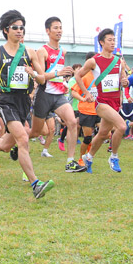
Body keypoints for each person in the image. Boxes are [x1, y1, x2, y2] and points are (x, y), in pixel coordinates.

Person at [0, 9, 55, 199]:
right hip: (6, 101)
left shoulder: (30, 52)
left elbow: (42, 79)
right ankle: (35, 184)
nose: (19, 31)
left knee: (6, 145)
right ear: (6, 30)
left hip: (24, 101)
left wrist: (33, 74)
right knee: (23, 138)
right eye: (15, 27)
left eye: (22, 28)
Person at [31, 17, 85, 172]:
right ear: (48, 31)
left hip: (58, 96)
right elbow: (41, 77)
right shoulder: (42, 51)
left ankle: (70, 162)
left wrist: (63, 82)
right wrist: (59, 73)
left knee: (72, 122)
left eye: (60, 27)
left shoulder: (63, 51)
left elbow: (57, 76)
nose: (59, 31)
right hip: (44, 95)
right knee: (35, 132)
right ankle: (14, 142)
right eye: (55, 28)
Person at [75, 28, 129, 173]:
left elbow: (123, 80)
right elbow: (78, 76)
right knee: (122, 127)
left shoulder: (119, 61)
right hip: (102, 103)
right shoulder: (93, 61)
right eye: (109, 40)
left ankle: (88, 157)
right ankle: (114, 156)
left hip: (116, 102)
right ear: (101, 42)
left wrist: (125, 82)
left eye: (114, 40)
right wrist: (86, 93)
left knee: (103, 133)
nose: (113, 43)